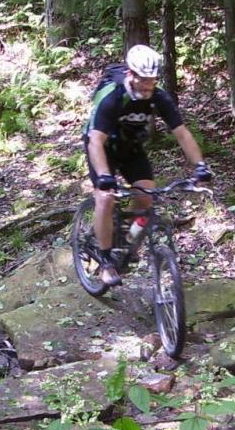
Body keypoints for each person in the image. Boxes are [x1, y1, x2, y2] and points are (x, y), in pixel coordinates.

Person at [83, 44, 213, 287]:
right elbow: (95, 140)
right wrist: (103, 177)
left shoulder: (158, 96)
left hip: (131, 149)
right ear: (131, 74)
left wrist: (200, 166)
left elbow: (182, 132)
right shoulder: (113, 96)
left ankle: (125, 241)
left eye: (152, 80)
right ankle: (105, 260)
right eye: (143, 80)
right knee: (105, 198)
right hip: (103, 148)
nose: (147, 85)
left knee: (146, 197)